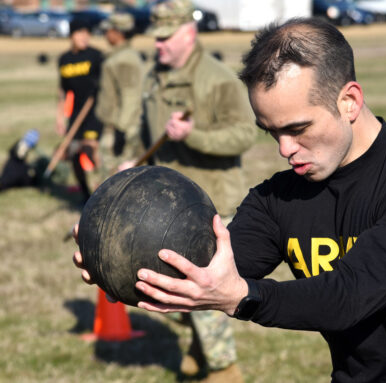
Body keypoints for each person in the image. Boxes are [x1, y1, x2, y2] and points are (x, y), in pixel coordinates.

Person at [74, 17, 386, 382]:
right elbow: (204, 269)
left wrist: (243, 297)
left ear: (349, 101)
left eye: (298, 128)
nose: (285, 149)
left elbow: (345, 297)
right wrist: (118, 255)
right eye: (272, 132)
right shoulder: (279, 198)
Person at [139, 1, 256, 381]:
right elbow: (144, 131)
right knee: (169, 290)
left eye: (165, 37)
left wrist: (194, 135)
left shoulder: (218, 78)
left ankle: (224, 369)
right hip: (166, 205)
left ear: (188, 33)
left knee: (199, 289)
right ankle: (196, 344)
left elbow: (244, 135)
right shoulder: (155, 76)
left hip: (208, 205)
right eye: (155, 37)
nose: (158, 45)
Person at [57, 18, 103, 202]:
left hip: (95, 113)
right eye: (80, 33)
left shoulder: (96, 56)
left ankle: (103, 190)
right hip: (76, 115)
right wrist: (59, 118)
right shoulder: (64, 59)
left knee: (90, 150)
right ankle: (86, 194)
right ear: (71, 35)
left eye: (87, 33)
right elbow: (63, 91)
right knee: (74, 154)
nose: (85, 37)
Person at [94, 12, 144, 182]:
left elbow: (131, 97)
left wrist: (121, 131)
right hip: (113, 126)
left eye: (108, 30)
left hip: (120, 129)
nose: (105, 34)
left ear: (118, 32)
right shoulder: (118, 56)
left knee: (115, 178)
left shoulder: (124, 60)